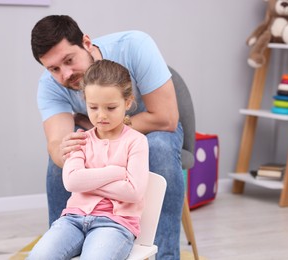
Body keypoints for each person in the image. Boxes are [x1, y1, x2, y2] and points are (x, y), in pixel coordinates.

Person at [31, 15, 184, 260]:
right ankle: (64, 239)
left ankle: (164, 255)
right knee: (64, 156)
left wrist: (112, 132)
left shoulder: (134, 46)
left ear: (86, 42)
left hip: (153, 127)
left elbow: (166, 118)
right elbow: (58, 145)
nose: (65, 74)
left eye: (69, 60)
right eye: (54, 69)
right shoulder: (50, 86)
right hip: (97, 139)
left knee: (158, 147)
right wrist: (74, 153)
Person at [27, 59, 150, 260]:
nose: (101, 115)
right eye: (93, 107)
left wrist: (87, 182)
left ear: (127, 103)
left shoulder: (137, 142)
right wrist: (116, 172)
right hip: (72, 220)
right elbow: (71, 182)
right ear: (85, 102)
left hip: (115, 224)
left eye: (110, 108)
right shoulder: (80, 139)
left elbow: (134, 192)